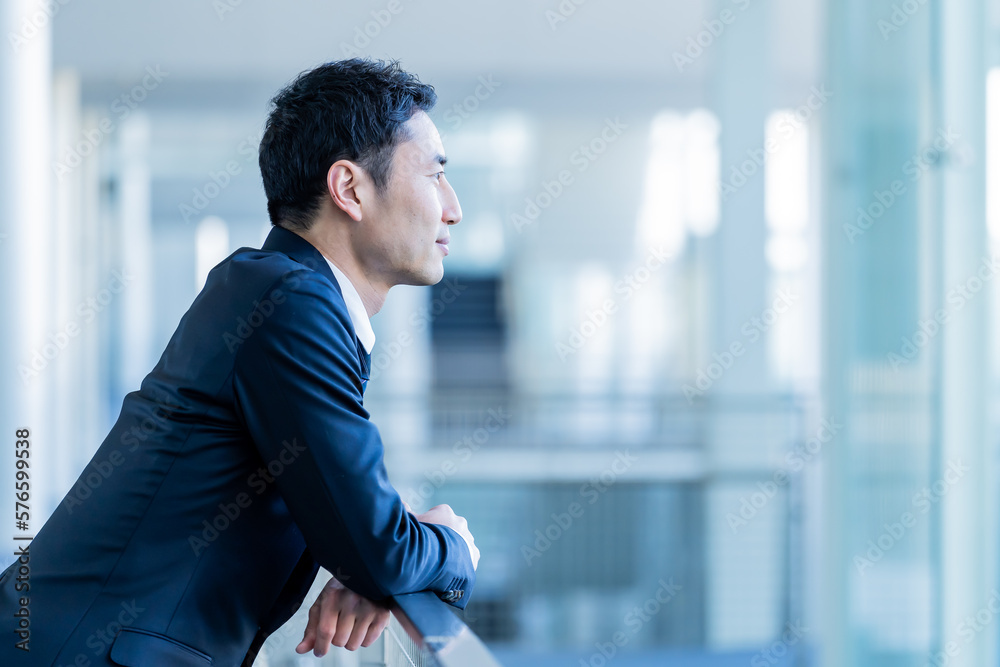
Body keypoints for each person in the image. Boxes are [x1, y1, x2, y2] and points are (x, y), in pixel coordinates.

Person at [0, 58, 479, 666]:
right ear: (350, 189)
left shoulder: (280, 291)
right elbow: (379, 551)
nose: (452, 208)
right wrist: (452, 544)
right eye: (436, 175)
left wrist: (379, 552)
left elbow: (365, 537)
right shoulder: (292, 303)